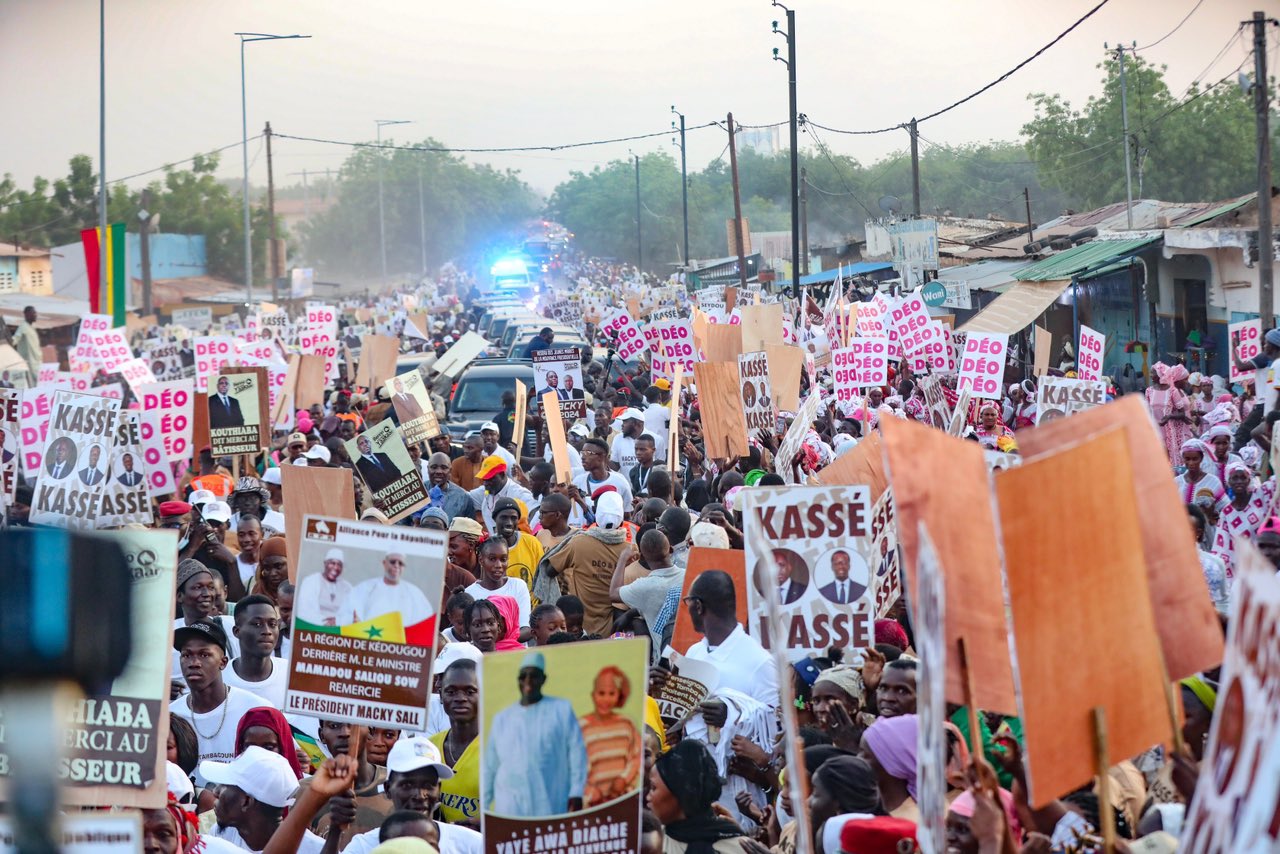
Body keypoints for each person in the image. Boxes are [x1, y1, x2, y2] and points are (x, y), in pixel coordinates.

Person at [482, 651, 588, 818]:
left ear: (543, 679)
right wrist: (485, 804)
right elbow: (490, 764)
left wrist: (576, 791)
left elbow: (576, 752)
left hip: (549, 797)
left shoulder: (561, 709)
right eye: (523, 676)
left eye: (534, 676)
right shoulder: (502, 718)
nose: (528, 681)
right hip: (510, 801)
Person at [169, 619, 274, 780]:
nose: (194, 663)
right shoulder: (172, 716)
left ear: (223, 662)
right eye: (186, 655)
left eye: (204, 655)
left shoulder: (256, 709)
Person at [202, 746, 324, 852]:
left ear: (246, 802)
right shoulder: (220, 835)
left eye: (225, 785)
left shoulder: (317, 850)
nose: (215, 791)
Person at [545, 491, 630, 636]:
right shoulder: (630, 551)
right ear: (621, 519)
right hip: (614, 632)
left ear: (596, 514)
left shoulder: (579, 543)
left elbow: (549, 570)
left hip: (580, 630)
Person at [648, 739, 752, 853]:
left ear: (680, 793)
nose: (648, 797)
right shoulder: (647, 843)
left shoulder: (740, 848)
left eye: (653, 788)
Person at [614, 528, 685, 656]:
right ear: (671, 549)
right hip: (690, 654)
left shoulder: (644, 587)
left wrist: (622, 560)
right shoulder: (688, 575)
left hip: (664, 661)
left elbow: (613, 593)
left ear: (641, 557)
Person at [579, 665, 642, 808]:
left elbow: (636, 757)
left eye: (611, 693)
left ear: (619, 696)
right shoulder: (581, 726)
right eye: (601, 693)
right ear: (593, 695)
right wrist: (590, 790)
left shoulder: (626, 724)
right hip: (590, 804)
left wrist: (623, 779)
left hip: (623, 801)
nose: (606, 699)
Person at [429, 659, 482, 827]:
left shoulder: (502, 747)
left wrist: (482, 825)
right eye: (451, 692)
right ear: (441, 696)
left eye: (470, 691)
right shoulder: (431, 748)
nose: (460, 698)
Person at [222, 595, 289, 708]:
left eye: (272, 624)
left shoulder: (291, 676)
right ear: (237, 631)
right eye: (257, 624)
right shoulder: (220, 679)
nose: (267, 631)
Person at [343, 552, 435, 628]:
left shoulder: (414, 593)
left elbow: (425, 622)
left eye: (400, 563)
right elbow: (348, 613)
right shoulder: (366, 588)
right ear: (384, 563)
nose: (396, 566)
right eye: (393, 562)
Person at [464, 538, 532, 637]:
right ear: (481, 560)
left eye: (503, 559)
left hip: (516, 651)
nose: (498, 565)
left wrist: (498, 642)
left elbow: (526, 629)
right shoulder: (470, 593)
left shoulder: (518, 586)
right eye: (492, 559)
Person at [860, 713, 919, 822]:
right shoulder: (874, 810)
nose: (857, 759)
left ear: (893, 765)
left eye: (866, 755)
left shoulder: (910, 822)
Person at [468, 456, 533, 534]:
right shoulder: (486, 490)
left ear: (502, 475)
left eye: (490, 479)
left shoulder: (520, 494)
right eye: (484, 479)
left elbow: (534, 516)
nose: (486, 483)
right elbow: (463, 496)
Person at [1147, 362, 1195, 466]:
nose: (1150, 375)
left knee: (1170, 460)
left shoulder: (1172, 391)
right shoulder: (1149, 391)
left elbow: (1182, 413)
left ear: (1160, 374)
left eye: (1153, 373)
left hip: (1169, 429)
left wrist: (1169, 417)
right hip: (1154, 429)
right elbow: (1147, 410)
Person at [492, 497, 544, 592]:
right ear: (495, 519)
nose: (509, 523)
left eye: (513, 518)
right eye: (504, 517)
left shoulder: (532, 543)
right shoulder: (488, 547)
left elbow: (543, 577)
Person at [297, 547, 355, 627]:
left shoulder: (347, 587)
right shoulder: (310, 582)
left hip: (339, 631)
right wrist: (325, 623)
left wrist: (338, 622)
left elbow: (353, 614)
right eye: (332, 563)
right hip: (314, 629)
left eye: (339, 565)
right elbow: (304, 611)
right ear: (325, 563)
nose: (336, 567)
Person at [573, 438, 634, 509]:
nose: (583, 457)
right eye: (582, 453)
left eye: (588, 453)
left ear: (603, 457)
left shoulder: (619, 482)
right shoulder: (578, 482)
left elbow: (628, 513)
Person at [426, 452, 477, 522]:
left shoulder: (463, 498)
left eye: (444, 468)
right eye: (434, 467)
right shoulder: (417, 492)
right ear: (428, 469)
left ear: (450, 470)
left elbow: (470, 528)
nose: (438, 471)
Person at [249, 537, 289, 604]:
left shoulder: (301, 592)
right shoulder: (257, 594)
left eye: (278, 566)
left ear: (290, 564)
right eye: (267, 568)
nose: (273, 573)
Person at [13, 305, 40, 385]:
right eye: (33, 313)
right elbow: (15, 340)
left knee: (38, 384)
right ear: (27, 314)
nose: (36, 315)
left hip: (37, 361)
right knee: (32, 384)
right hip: (29, 363)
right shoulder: (23, 327)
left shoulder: (32, 327)